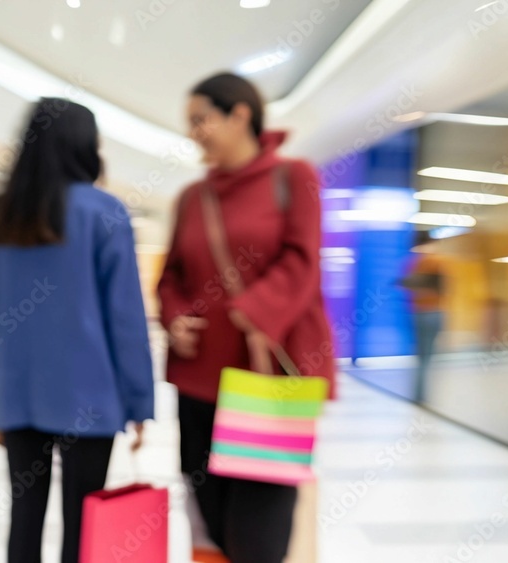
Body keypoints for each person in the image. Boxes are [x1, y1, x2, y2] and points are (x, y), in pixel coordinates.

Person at [0, 97, 154, 563]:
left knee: (24, 518)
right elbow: (126, 318)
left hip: (16, 396)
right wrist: (137, 401)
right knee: (85, 525)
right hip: (91, 399)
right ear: (85, 147)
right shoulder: (104, 213)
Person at [157, 72, 335, 562]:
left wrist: (250, 309)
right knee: (210, 526)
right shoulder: (193, 199)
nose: (193, 131)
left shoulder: (293, 177)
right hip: (198, 385)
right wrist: (175, 317)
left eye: (201, 119)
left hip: (265, 383)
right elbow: (171, 276)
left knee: (257, 537)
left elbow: (302, 260)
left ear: (240, 115)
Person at [398, 231, 445, 402]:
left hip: (417, 312)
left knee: (421, 355)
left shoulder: (412, 262)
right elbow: (442, 287)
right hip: (433, 311)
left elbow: (407, 283)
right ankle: (422, 396)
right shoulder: (436, 261)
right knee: (428, 357)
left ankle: (419, 394)